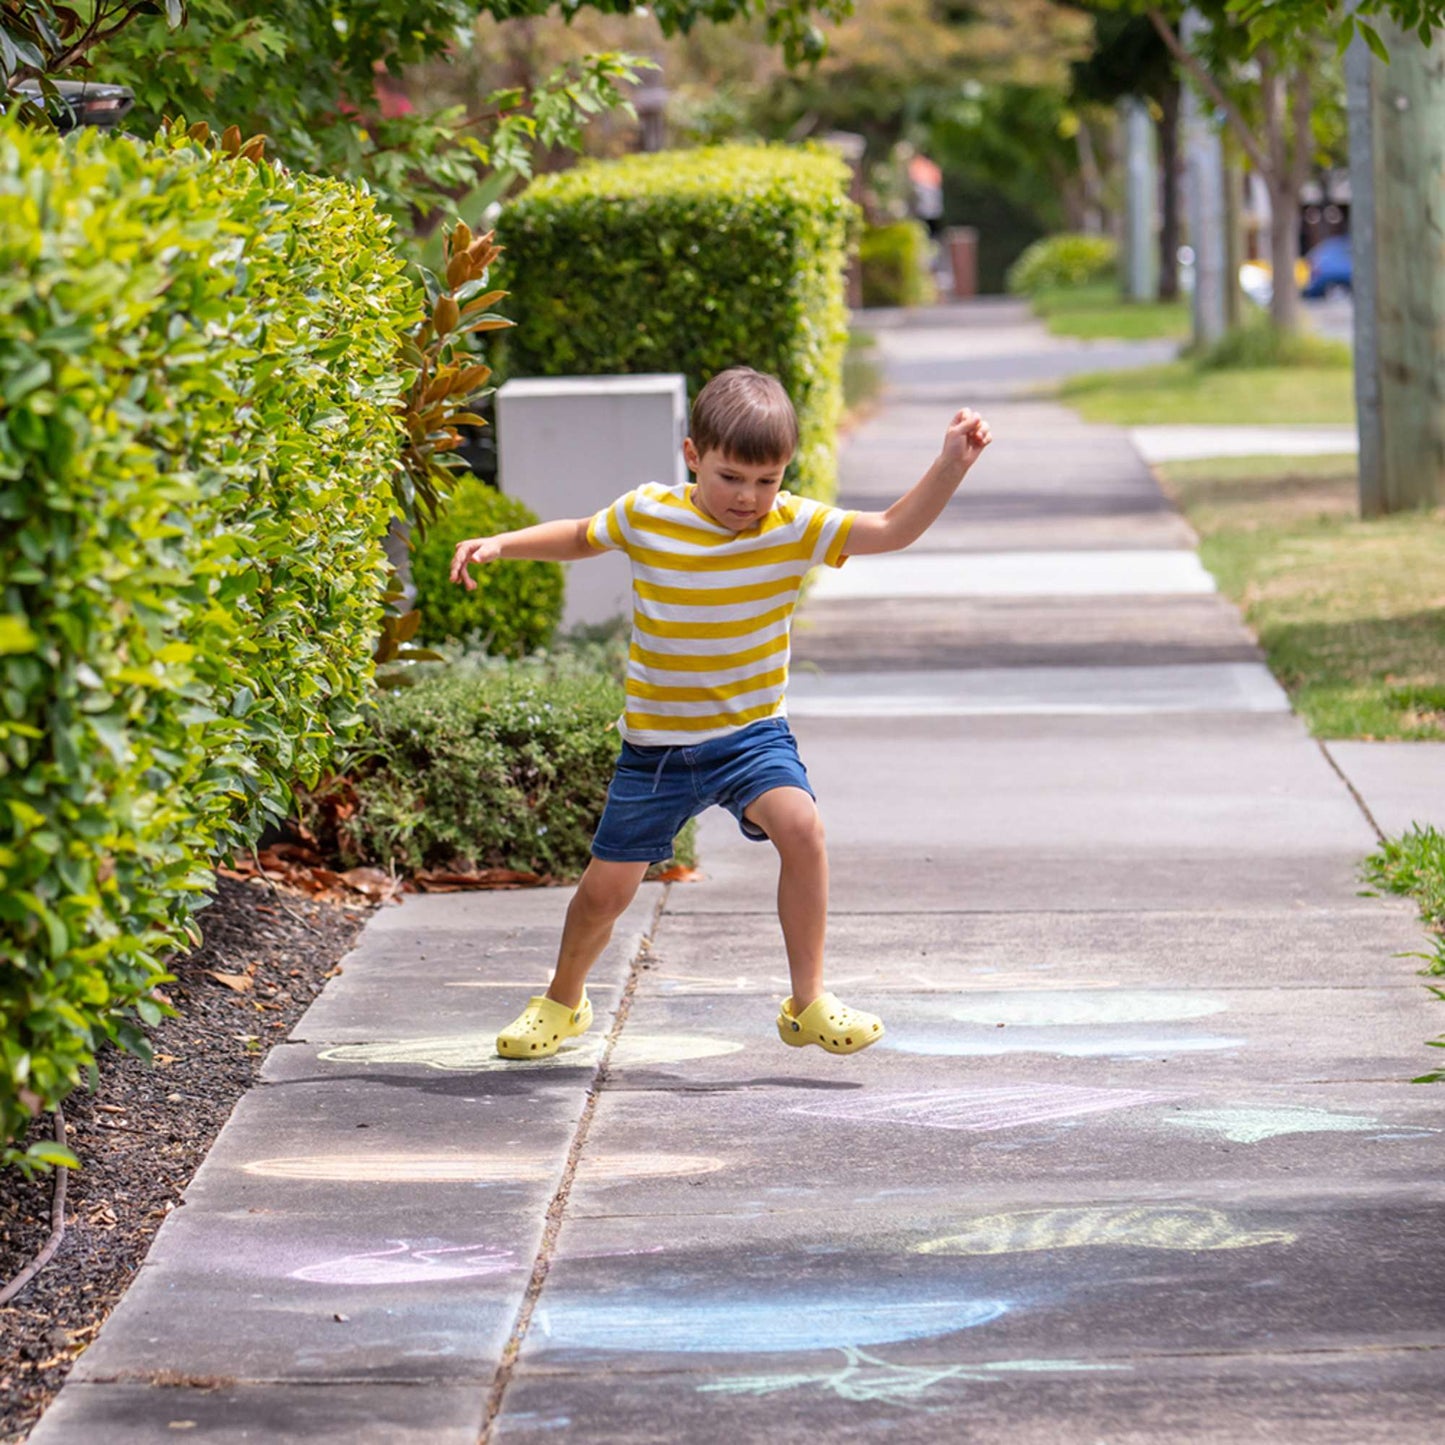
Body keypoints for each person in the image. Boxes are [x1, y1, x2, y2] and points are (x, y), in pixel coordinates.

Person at [449, 366, 992, 1060]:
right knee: (602, 895)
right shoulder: (650, 512)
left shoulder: (794, 525)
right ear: (692, 456)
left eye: (766, 481)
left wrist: (948, 465)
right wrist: (503, 542)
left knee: (803, 827)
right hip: (656, 751)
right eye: (731, 477)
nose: (749, 497)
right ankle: (562, 1002)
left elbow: (889, 528)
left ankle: (807, 1002)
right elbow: (582, 536)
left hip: (748, 738)